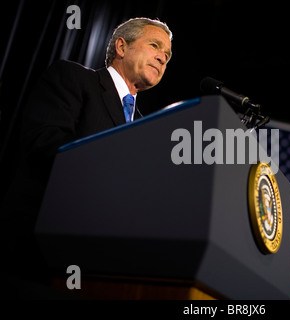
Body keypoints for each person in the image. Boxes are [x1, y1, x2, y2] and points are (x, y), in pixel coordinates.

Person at [0, 17, 172, 299]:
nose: (162, 58)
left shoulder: (147, 130)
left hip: (104, 269)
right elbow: (45, 144)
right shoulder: (74, 79)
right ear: (121, 46)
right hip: (39, 253)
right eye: (155, 45)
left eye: (166, 56)